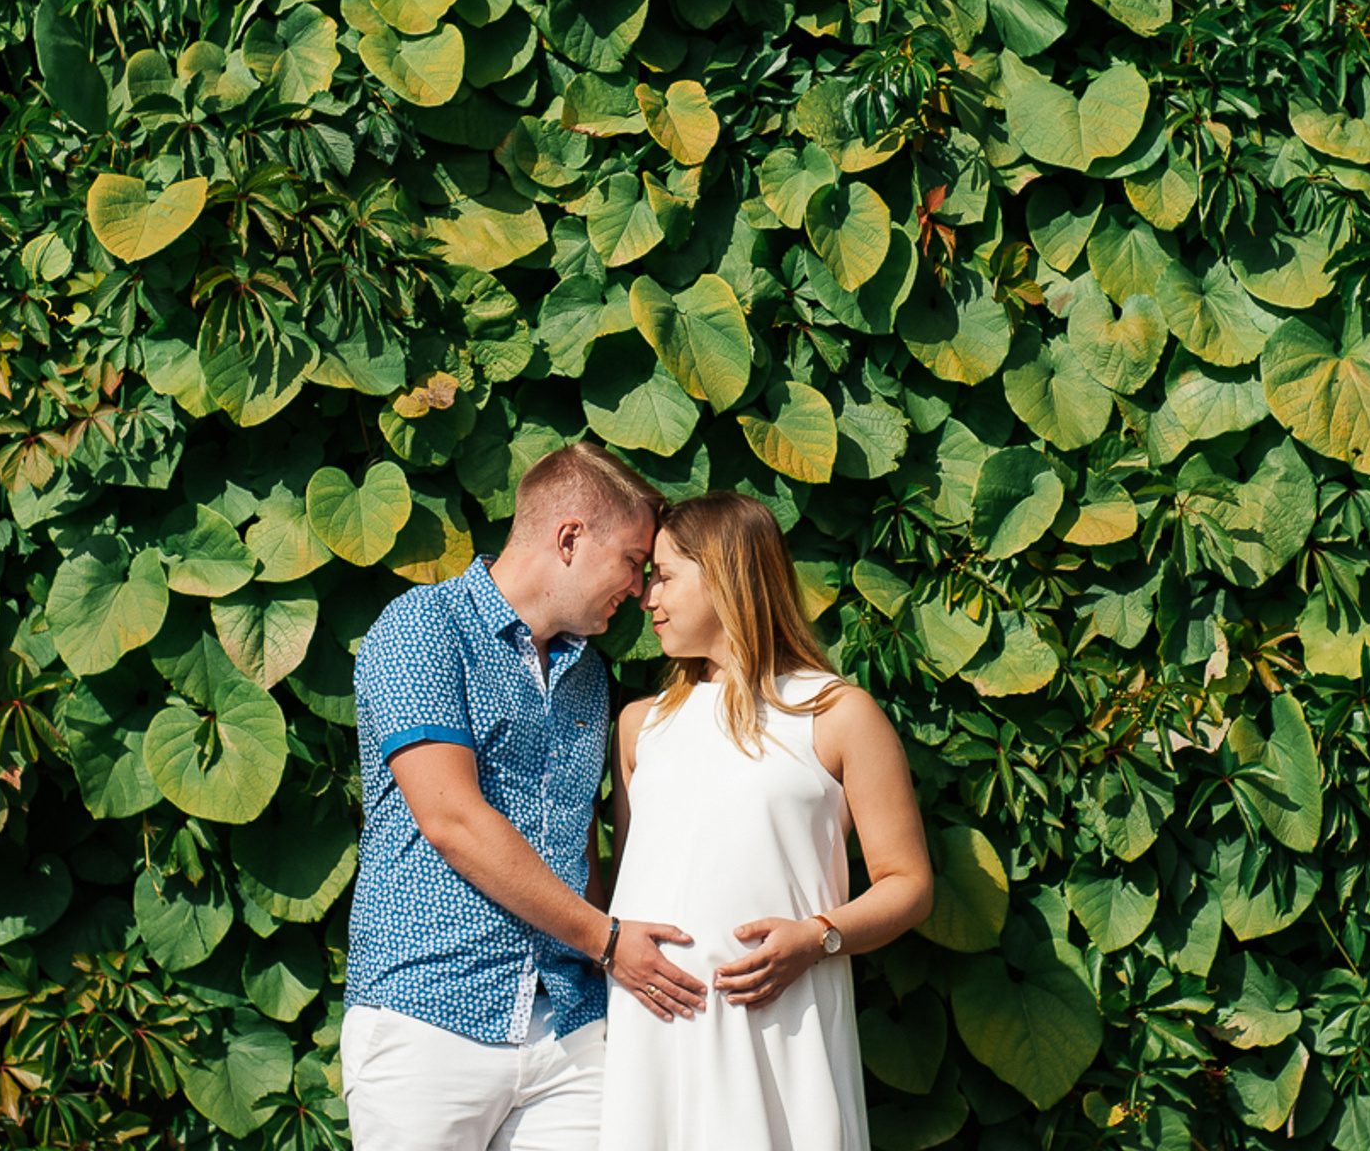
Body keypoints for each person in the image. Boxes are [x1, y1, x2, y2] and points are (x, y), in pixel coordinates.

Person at [342, 443, 709, 1151]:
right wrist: (607, 943)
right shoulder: (422, 628)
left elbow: (581, 846)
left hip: (569, 1031)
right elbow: (452, 820)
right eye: (633, 560)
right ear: (570, 537)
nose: (639, 589)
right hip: (430, 1011)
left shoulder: (589, 678)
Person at [600, 491, 934, 1151]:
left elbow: (909, 884)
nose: (647, 598)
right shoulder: (641, 726)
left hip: (780, 1025)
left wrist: (818, 937)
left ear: (724, 573)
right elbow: (628, 887)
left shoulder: (836, 712)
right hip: (654, 1034)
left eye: (664, 574)